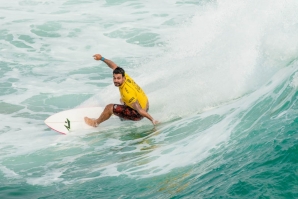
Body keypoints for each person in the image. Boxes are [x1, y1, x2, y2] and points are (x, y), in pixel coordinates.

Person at [84, 54, 158, 127]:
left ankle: (95, 123)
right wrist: (102, 58)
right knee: (122, 100)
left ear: (123, 78)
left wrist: (152, 120)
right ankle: (124, 118)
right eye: (114, 78)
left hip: (139, 114)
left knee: (109, 108)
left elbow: (139, 110)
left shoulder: (127, 93)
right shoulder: (124, 75)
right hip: (146, 104)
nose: (116, 80)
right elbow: (113, 65)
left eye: (118, 78)